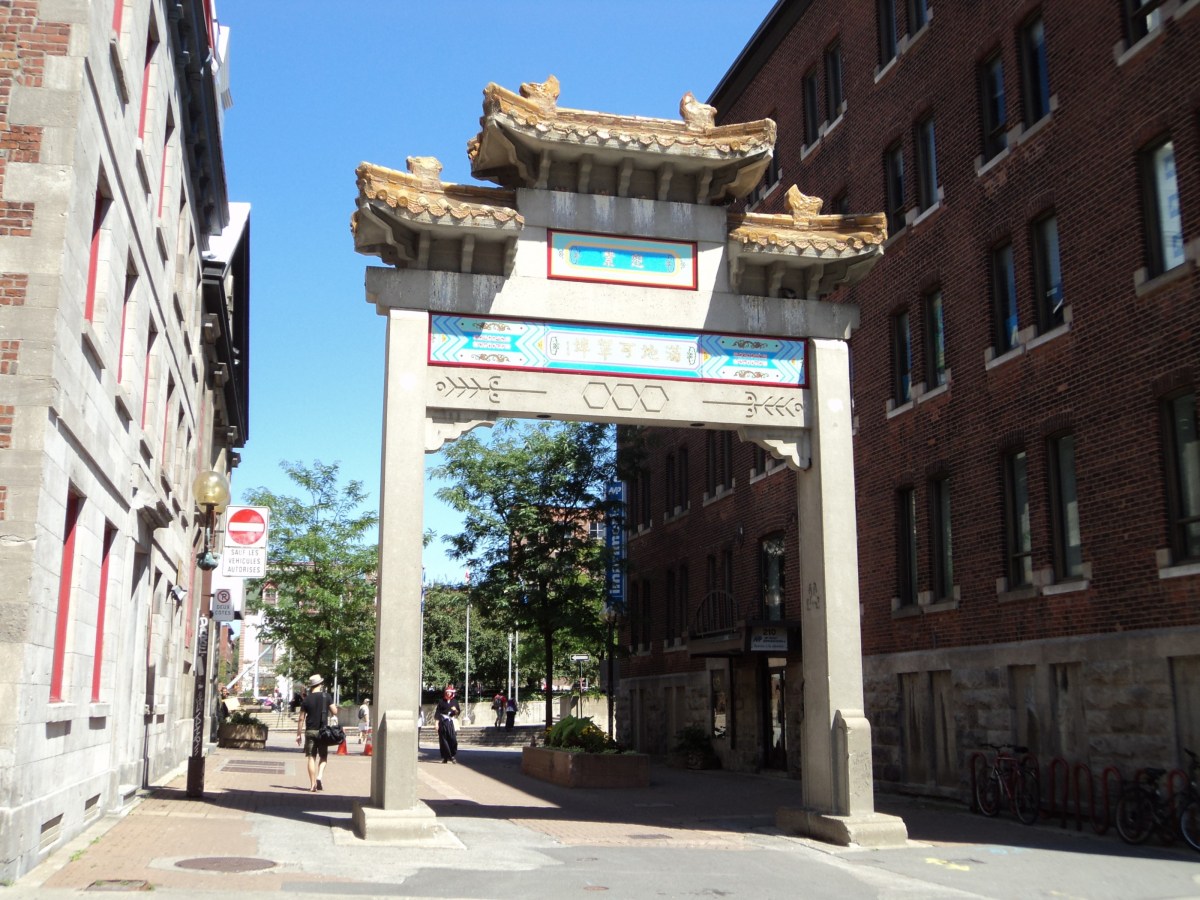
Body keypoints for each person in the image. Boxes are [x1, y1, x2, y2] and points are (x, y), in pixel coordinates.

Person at [296, 673, 333, 792]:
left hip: (310, 731)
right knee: (323, 757)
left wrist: (298, 734)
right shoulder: (326, 696)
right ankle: (319, 776)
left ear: (311, 686)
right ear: (320, 684)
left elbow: (301, 718)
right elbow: (335, 711)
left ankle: (312, 785)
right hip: (323, 732)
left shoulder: (306, 699)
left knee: (311, 757)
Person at [435, 684, 461, 763]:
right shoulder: (441, 701)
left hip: (451, 722)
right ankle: (446, 757)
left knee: (453, 739)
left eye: (450, 692)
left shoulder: (455, 702)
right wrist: (436, 723)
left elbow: (458, 712)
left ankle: (452, 754)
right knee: (443, 740)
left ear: (452, 693)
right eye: (447, 692)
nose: (448, 694)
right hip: (443, 722)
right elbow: (438, 713)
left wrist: (455, 710)